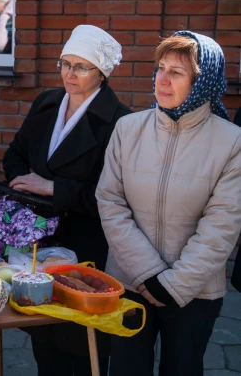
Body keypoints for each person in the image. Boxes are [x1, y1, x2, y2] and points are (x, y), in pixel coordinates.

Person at [96, 31, 241, 376]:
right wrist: (148, 273)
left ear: (202, 81)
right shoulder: (128, 129)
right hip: (130, 282)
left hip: (195, 291)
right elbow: (110, 200)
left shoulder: (231, 142)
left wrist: (173, 284)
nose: (162, 79)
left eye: (176, 72)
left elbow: (223, 224)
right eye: (160, 68)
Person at [3, 25, 130, 375]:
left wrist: (53, 188)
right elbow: (14, 153)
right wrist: (22, 186)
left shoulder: (119, 122)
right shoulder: (47, 102)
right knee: (44, 339)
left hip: (87, 247)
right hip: (40, 238)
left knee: (83, 343)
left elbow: (114, 197)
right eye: (64, 63)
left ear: (102, 72)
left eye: (81, 67)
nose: (69, 74)